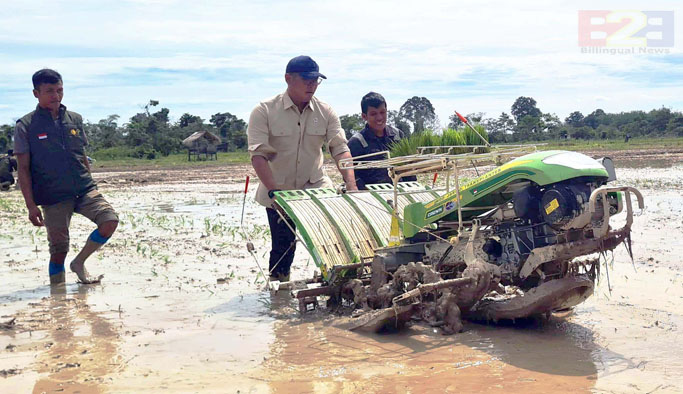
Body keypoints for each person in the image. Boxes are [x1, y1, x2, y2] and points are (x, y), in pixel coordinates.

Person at [247, 55, 357, 282]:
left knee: (332, 237)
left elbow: (339, 148)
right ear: (288, 79)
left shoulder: (325, 111)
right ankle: (279, 291)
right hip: (278, 188)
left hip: (315, 185)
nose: (312, 85)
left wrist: (351, 184)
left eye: (316, 80)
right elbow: (258, 156)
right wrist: (274, 191)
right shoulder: (264, 111)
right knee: (283, 247)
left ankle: (337, 284)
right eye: (307, 79)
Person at [14, 69, 119, 285]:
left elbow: (81, 155)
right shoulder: (26, 125)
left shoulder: (74, 120)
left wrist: (91, 183)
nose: (56, 96)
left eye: (60, 90)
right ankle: (57, 297)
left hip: (83, 188)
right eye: (49, 91)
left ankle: (79, 262)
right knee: (59, 249)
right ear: (36, 93)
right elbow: (23, 169)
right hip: (53, 195)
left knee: (109, 221)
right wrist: (31, 206)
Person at [347, 92, 416, 189]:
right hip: (372, 197)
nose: (379, 118)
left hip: (400, 191)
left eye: (382, 112)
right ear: (364, 116)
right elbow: (351, 176)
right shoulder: (357, 142)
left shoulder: (398, 136)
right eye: (373, 114)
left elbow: (409, 168)